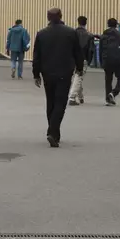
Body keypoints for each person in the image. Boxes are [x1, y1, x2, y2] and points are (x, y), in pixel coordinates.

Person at [32, 8, 83, 148]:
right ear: (61, 16)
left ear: (48, 18)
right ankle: (53, 132)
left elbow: (37, 56)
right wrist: (79, 68)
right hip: (64, 73)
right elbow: (78, 52)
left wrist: (36, 74)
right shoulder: (70, 32)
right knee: (60, 102)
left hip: (47, 73)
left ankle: (54, 132)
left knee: (51, 102)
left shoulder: (42, 34)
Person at [69, 16, 95, 106]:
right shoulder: (89, 35)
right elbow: (91, 50)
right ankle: (72, 97)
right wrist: (88, 60)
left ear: (78, 22)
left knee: (77, 77)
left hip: (72, 58)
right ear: (86, 23)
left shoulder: (72, 33)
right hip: (83, 58)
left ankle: (80, 96)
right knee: (79, 77)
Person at [101, 18, 120, 106]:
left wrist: (102, 62)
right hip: (117, 60)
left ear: (108, 24)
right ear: (116, 25)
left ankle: (108, 100)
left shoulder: (104, 35)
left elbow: (100, 50)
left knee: (108, 80)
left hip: (107, 60)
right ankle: (113, 93)